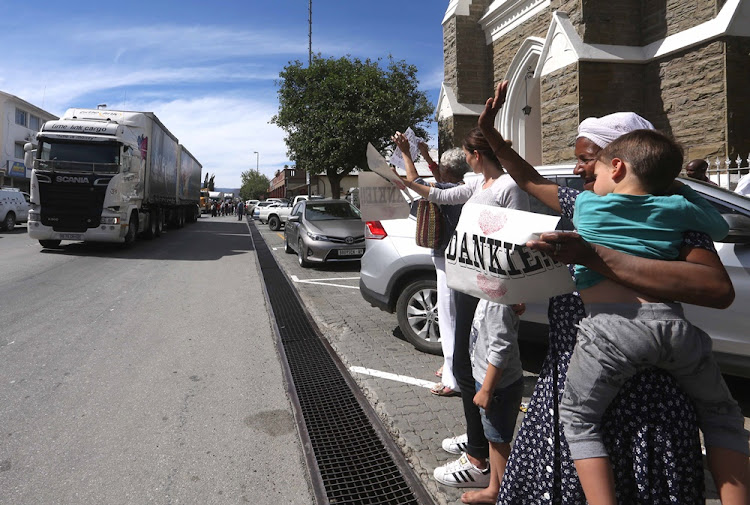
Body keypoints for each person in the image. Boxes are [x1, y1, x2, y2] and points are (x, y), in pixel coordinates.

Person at [481, 81, 750, 505]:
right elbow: (530, 179)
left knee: (598, 447)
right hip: (576, 363)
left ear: (618, 165)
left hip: (643, 394)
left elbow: (716, 289)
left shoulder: (598, 207)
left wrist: (594, 257)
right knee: (723, 416)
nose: (579, 170)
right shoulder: (665, 207)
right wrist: (495, 139)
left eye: (589, 160)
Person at [399, 127, 530, 492]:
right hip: (467, 279)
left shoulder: (508, 187)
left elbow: (519, 240)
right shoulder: (478, 184)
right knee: (461, 361)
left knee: (475, 364)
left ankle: (479, 457)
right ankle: (477, 439)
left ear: (475, 155)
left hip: (488, 286)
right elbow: (438, 194)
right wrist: (400, 177)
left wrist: (516, 290)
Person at [392, 131, 469, 397]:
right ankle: (454, 364)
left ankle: (453, 380)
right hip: (461, 259)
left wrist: (405, 151)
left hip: (449, 261)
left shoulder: (448, 190)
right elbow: (440, 178)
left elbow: (414, 180)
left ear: (447, 172)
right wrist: (425, 155)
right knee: (458, 319)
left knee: (448, 319)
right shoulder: (463, 187)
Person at [461, 299, 524, 504]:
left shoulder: (497, 302)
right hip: (492, 384)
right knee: (494, 440)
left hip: (498, 388)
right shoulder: (492, 297)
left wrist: (487, 390)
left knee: (499, 442)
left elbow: (500, 349)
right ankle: (495, 490)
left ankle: (508, 496)